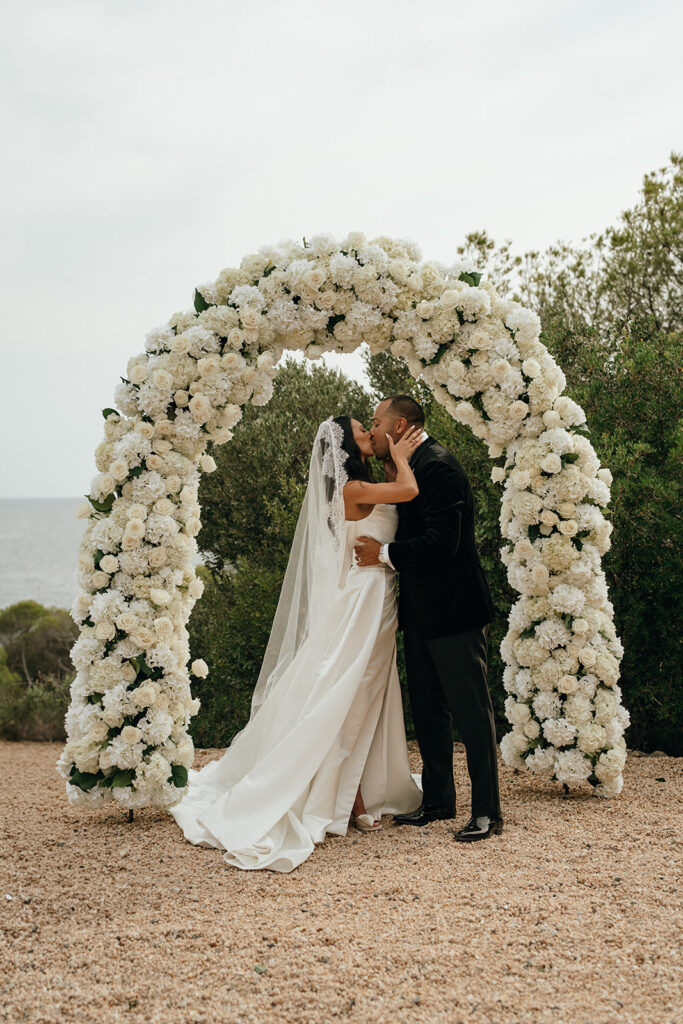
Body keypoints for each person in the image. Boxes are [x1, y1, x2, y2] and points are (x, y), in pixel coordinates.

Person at [168, 415, 424, 872]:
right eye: (361, 429)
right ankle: (347, 797)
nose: (369, 431)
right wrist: (402, 458)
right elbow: (408, 492)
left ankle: (362, 791)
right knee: (353, 692)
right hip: (366, 599)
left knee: (369, 691)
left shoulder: (355, 487)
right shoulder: (350, 492)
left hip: (375, 593)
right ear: (347, 445)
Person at [354, 395, 503, 842]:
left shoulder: (439, 466)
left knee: (472, 712)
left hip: (455, 611)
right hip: (419, 613)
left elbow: (444, 543)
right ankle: (438, 800)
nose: (373, 430)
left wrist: (382, 554)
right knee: (429, 710)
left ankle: (487, 812)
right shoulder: (408, 467)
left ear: (399, 426)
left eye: (377, 422)